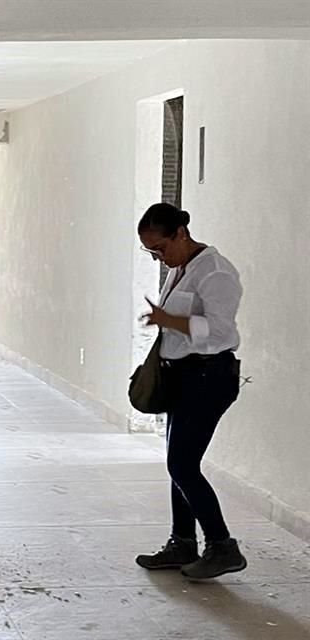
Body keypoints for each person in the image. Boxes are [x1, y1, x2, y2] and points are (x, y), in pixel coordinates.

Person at [135, 202, 247, 580]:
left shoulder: (215, 271)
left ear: (180, 233)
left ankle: (222, 546)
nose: (159, 259)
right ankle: (182, 543)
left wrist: (171, 321)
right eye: (151, 253)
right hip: (182, 376)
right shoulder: (180, 269)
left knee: (182, 464)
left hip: (208, 377)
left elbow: (221, 332)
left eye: (161, 249)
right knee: (176, 462)